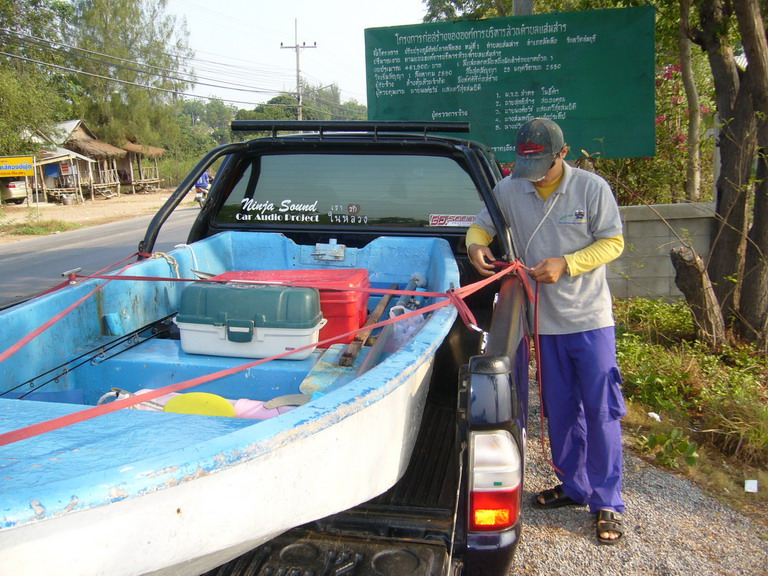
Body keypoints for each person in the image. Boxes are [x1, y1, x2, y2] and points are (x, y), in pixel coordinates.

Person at [466, 117, 627, 545]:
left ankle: (607, 499)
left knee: (600, 408)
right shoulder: (508, 188)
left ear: (563, 153)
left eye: (543, 166)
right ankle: (574, 486)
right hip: (543, 322)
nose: (534, 176)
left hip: (589, 320)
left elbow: (613, 241)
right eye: (527, 166)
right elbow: (482, 225)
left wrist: (567, 263)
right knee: (558, 408)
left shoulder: (592, 189)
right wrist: (476, 245)